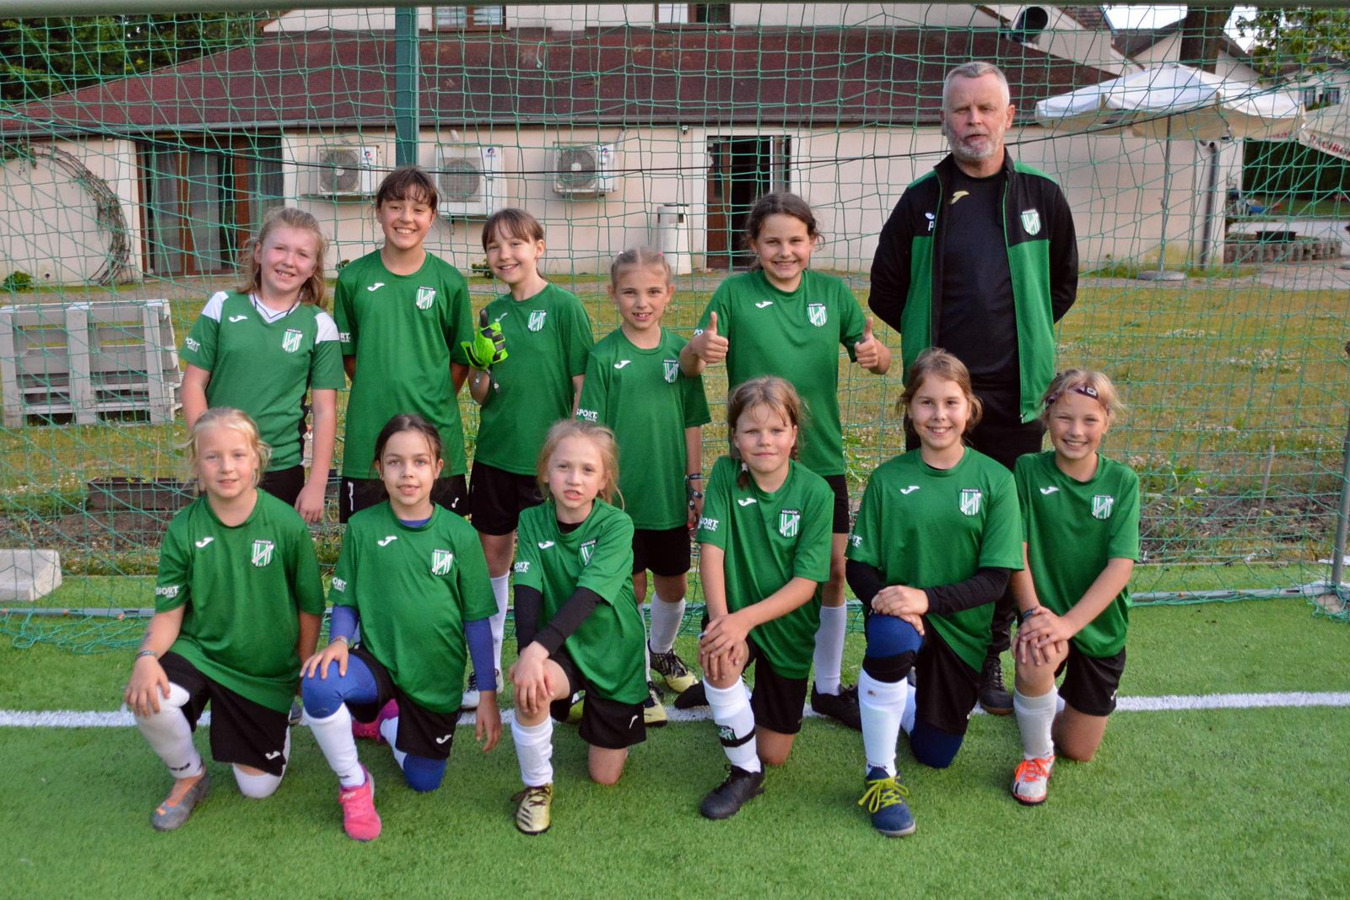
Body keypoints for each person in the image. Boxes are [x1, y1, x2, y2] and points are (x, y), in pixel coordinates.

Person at [868, 60, 1079, 715]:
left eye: (986, 108)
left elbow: (1061, 287)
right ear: (944, 119)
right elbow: (885, 290)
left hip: (1016, 399)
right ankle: (920, 646)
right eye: (962, 109)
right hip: (939, 401)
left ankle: (987, 653)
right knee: (932, 524)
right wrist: (931, 358)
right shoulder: (920, 201)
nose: (974, 121)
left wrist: (1023, 339)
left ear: (1009, 116)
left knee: (1002, 532)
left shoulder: (1042, 197)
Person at [680, 192, 891, 729]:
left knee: (833, 572)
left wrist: (876, 356)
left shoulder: (832, 293)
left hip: (820, 458)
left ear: (812, 242)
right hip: (753, 459)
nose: (785, 251)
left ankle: (826, 686)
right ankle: (727, 662)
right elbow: (689, 359)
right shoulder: (733, 293)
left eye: (796, 240)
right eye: (772, 241)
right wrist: (699, 350)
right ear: (753, 244)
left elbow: (878, 358)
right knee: (740, 563)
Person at [845, 349, 1022, 837]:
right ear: (909, 408)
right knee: (890, 639)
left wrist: (926, 600)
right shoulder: (888, 478)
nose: (938, 415)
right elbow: (858, 565)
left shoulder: (996, 481)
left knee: (935, 754)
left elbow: (996, 580)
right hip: (901, 617)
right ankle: (880, 775)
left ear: (970, 408)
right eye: (926, 402)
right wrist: (886, 600)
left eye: (950, 403)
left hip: (960, 628)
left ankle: (892, 695)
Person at [301, 415, 500, 842]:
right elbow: (346, 599)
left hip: (434, 678)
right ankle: (355, 783)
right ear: (379, 468)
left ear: (437, 468)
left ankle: (383, 721)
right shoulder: (363, 527)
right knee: (319, 683)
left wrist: (487, 693)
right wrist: (339, 641)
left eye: (419, 462)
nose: (407, 473)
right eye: (395, 462)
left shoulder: (459, 536)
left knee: (424, 781)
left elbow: (476, 620)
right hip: (378, 662)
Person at [125, 408, 324, 831]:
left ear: (257, 460)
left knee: (257, 788)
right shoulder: (183, 528)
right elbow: (169, 614)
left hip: (263, 671)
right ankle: (190, 775)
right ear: (196, 463)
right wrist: (146, 656)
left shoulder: (286, 525)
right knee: (149, 696)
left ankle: (271, 718)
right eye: (212, 456)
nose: (226, 467)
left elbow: (310, 607)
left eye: (237, 455)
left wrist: (301, 670)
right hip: (201, 653)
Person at [465, 209, 595, 709]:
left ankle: (561, 665)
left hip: (549, 467)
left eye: (515, 244)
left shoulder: (564, 307)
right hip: (496, 455)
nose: (504, 255)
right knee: (493, 561)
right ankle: (488, 669)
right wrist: (480, 368)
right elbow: (481, 393)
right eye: (494, 247)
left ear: (539, 247)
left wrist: (572, 454)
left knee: (554, 564)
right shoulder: (491, 313)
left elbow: (582, 387)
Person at [576, 247, 710, 725]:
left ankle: (662, 651)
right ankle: (639, 675)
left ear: (669, 294)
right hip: (620, 501)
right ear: (613, 294)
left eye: (653, 291)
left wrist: (695, 483)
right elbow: (589, 434)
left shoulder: (682, 354)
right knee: (629, 589)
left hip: (668, 494)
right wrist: (596, 490)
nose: (641, 302)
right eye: (630, 292)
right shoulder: (604, 356)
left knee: (674, 584)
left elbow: (692, 422)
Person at [694, 377, 834, 820]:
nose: (764, 441)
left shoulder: (816, 492)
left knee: (775, 752)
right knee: (719, 656)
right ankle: (744, 772)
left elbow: (805, 586)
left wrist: (743, 622)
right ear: (735, 438)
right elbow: (711, 554)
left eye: (776, 430)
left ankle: (734, 701)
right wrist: (723, 624)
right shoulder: (724, 475)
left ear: (794, 434)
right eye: (752, 431)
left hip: (787, 629)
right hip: (735, 617)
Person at [508, 419, 647, 835]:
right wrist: (528, 655)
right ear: (545, 471)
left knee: (604, 777)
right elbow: (527, 590)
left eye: (588, 470)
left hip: (613, 653)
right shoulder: (531, 520)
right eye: (563, 467)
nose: (574, 479)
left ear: (604, 480)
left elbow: (587, 597)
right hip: (562, 647)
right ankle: (537, 788)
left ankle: (594, 705)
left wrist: (535, 652)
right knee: (531, 688)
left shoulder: (617, 526)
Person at [1009, 369, 1139, 805]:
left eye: (1089, 420)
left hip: (1097, 628)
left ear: (1107, 422)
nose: (1075, 431)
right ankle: (1036, 756)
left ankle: (1047, 706)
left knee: (1079, 751)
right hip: (1045, 618)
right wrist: (1033, 615)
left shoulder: (1122, 482)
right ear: (1047, 417)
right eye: (1064, 417)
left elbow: (1120, 567)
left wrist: (1069, 624)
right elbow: (1016, 554)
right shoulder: (1027, 470)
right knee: (1035, 652)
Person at [180, 208, 343, 522]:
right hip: (223, 463)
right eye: (279, 248)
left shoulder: (319, 325)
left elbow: (325, 410)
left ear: (313, 267)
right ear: (258, 252)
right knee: (221, 547)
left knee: (274, 548)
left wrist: (317, 483)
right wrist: (205, 455)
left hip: (281, 465)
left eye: (302, 254)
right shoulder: (222, 306)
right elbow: (193, 384)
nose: (289, 261)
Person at [333, 165, 476, 523]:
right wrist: (381, 385)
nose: (406, 218)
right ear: (378, 211)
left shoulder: (449, 281)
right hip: (370, 436)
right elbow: (350, 358)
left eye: (418, 209)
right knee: (369, 539)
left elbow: (460, 359)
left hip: (435, 433)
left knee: (440, 543)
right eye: (395, 207)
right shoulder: (352, 279)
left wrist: (431, 393)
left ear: (432, 217)